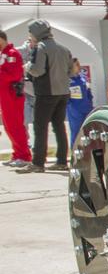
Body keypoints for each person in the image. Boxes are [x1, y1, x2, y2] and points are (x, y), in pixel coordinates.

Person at [17, 20, 72, 174]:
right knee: (59, 126)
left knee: (40, 127)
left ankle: (38, 163)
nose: (30, 35)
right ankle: (62, 161)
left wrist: (27, 66)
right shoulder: (64, 49)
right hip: (63, 92)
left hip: (46, 92)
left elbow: (37, 70)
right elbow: (70, 70)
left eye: (30, 32)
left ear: (36, 32)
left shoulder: (41, 47)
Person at [0, 29, 33, 168]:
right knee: (9, 126)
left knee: (16, 126)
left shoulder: (12, 54)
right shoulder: (4, 54)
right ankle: (17, 154)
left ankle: (24, 156)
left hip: (12, 95)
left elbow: (14, 75)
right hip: (4, 96)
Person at [66, 58, 95, 141]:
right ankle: (75, 148)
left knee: (89, 133)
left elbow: (89, 93)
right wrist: (71, 108)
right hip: (75, 112)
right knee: (76, 133)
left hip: (87, 110)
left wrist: (90, 105)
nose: (79, 66)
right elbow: (65, 98)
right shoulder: (67, 81)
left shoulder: (83, 79)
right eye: (77, 65)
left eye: (79, 64)